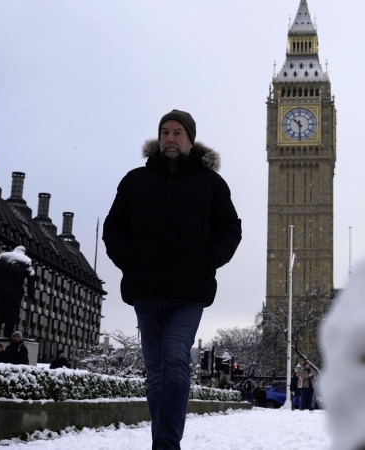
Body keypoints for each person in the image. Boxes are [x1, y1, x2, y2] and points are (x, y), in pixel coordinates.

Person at [103, 109, 242, 450]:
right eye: (165, 131)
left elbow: (230, 229)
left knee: (176, 361)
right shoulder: (135, 180)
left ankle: (166, 444)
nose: (170, 137)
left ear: (190, 140)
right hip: (145, 289)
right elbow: (113, 226)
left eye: (178, 132)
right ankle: (163, 443)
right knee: (156, 371)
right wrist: (128, 260)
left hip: (189, 291)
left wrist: (208, 260)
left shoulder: (211, 183)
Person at [0, 246, 35, 338]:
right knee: (11, 315)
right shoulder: (25, 261)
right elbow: (31, 276)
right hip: (14, 292)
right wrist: (30, 293)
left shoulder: (1, 257)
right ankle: (7, 336)